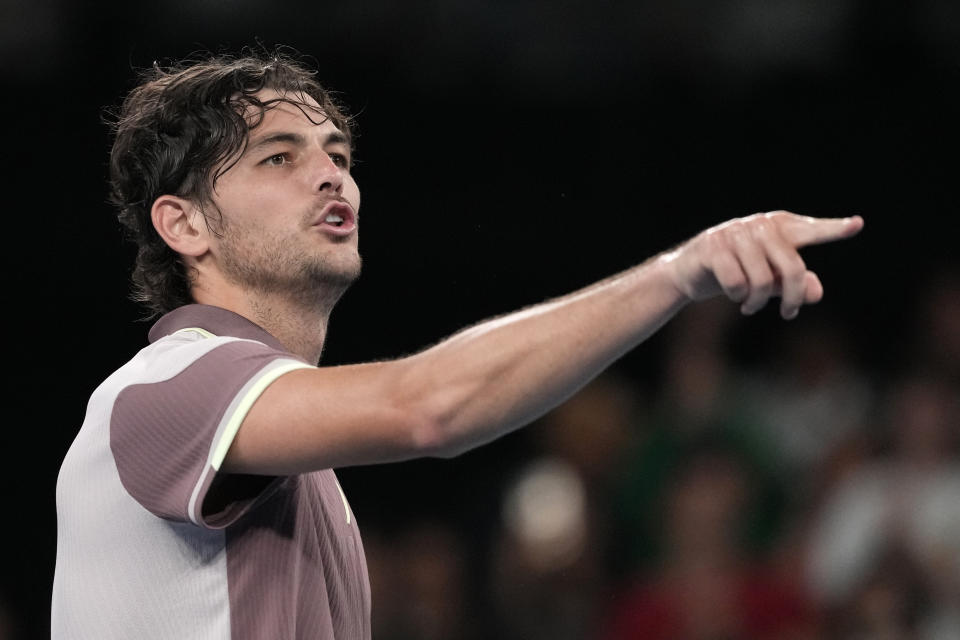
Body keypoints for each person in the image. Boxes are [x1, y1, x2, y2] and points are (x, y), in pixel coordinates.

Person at [51, 49, 864, 639]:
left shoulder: (287, 456)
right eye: (279, 157)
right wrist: (680, 274)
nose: (331, 175)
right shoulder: (167, 388)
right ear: (183, 222)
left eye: (338, 155)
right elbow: (429, 406)